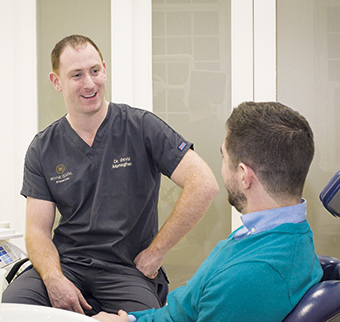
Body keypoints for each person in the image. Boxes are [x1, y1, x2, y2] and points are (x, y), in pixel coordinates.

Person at [2, 35, 219, 315]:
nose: (90, 83)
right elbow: (37, 230)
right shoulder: (44, 147)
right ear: (56, 82)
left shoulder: (141, 127)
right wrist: (54, 279)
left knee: (145, 319)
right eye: (76, 75)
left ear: (104, 69)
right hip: (66, 264)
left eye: (94, 71)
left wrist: (156, 253)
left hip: (126, 270)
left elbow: (203, 184)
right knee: (12, 309)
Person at [91, 101, 323, 322]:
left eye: (224, 157)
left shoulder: (248, 277)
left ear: (244, 175)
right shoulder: (281, 236)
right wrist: (131, 319)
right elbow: (180, 312)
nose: (221, 167)